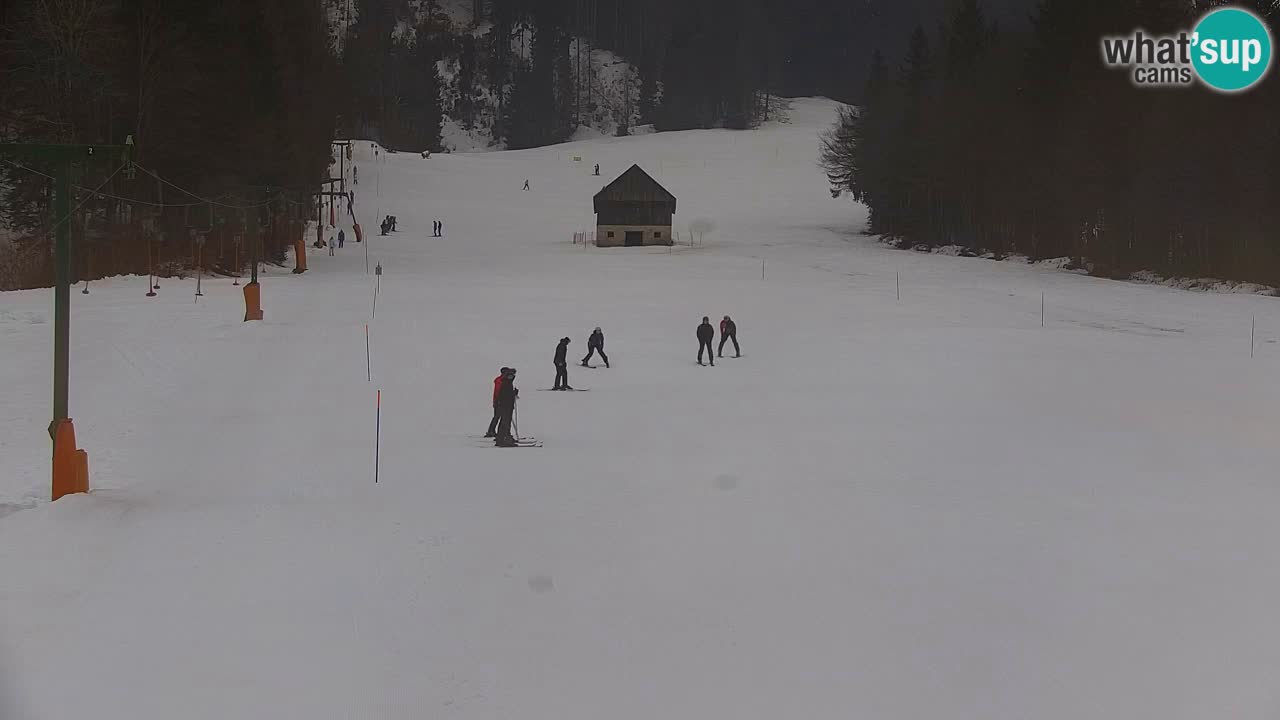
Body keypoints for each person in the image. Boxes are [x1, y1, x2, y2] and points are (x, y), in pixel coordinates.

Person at [494, 368, 520, 446]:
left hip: (508, 406)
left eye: (512, 375)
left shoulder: (509, 383)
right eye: (509, 375)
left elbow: (508, 395)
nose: (511, 377)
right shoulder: (505, 383)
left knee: (506, 422)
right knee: (505, 423)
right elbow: (502, 395)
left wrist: (514, 393)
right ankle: (502, 439)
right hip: (504, 406)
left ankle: (503, 438)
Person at [485, 367, 509, 438]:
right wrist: (497, 400)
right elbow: (497, 391)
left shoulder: (503, 380)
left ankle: (492, 430)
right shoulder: (500, 380)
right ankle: (491, 431)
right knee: (497, 416)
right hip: (499, 402)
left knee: (498, 416)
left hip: (499, 401)